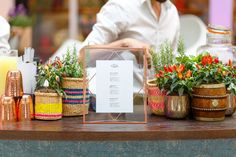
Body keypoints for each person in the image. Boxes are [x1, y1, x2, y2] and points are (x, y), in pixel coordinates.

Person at [80, 0, 180, 92]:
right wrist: (124, 44)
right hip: (121, 106)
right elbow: (83, 57)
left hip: (160, 105)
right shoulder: (121, 6)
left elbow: (173, 63)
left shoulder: (171, 12)